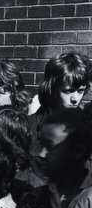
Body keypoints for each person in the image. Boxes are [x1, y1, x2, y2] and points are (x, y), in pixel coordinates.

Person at [28, 53, 91, 187]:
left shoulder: (87, 128)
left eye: (80, 91)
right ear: (52, 89)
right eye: (68, 91)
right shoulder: (28, 127)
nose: (75, 98)